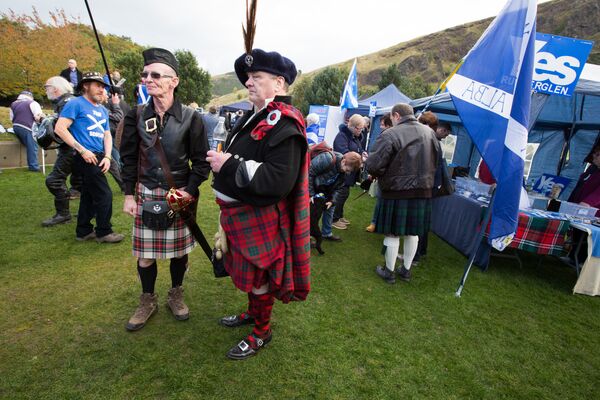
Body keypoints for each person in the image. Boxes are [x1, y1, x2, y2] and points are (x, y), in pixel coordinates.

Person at [207, 47, 311, 360]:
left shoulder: (285, 125)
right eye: (248, 77)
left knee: (260, 280)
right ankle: (254, 314)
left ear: (279, 84)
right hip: (240, 215)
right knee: (253, 280)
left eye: (257, 77)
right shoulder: (256, 116)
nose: (249, 82)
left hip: (259, 217)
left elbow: (278, 181)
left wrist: (226, 165)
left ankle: (262, 332)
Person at [120, 48, 210, 331]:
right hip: (146, 192)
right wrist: (127, 195)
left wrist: (190, 190)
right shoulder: (135, 115)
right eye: (145, 74)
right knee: (145, 255)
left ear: (174, 81)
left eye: (156, 74)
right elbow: (129, 158)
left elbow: (201, 162)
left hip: (178, 194)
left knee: (179, 252)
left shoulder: (192, 118)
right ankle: (147, 300)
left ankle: (176, 294)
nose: (148, 79)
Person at [366, 103, 440, 284]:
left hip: (396, 191)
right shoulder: (430, 133)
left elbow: (375, 165)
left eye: (391, 118)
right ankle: (406, 271)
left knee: (392, 233)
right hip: (423, 191)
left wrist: (370, 167)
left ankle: (389, 272)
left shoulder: (390, 134)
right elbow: (436, 160)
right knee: (413, 233)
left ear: (396, 115)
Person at [54, 72, 125, 244]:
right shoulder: (75, 104)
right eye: (98, 86)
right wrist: (82, 150)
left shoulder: (102, 109)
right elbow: (60, 128)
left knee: (88, 194)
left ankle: (83, 231)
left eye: (103, 87)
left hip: (100, 155)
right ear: (86, 85)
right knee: (104, 195)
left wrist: (108, 156)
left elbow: (107, 134)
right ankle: (104, 231)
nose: (102, 90)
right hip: (84, 156)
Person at [41, 76, 83, 226]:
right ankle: (88, 211)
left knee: (54, 180)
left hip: (72, 148)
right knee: (84, 182)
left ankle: (63, 214)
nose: (45, 90)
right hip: (77, 148)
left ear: (56, 88)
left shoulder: (67, 102)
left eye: (47, 86)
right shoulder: (69, 101)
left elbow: (67, 128)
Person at [309, 150, 362, 253]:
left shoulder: (345, 171)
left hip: (326, 191)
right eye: (347, 169)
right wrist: (310, 193)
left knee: (330, 208)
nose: (347, 172)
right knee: (309, 214)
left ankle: (326, 233)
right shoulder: (327, 158)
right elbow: (309, 172)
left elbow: (339, 187)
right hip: (313, 188)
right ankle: (306, 237)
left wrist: (332, 200)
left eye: (349, 171)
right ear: (344, 161)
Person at [332, 114, 366, 229]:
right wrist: (359, 158)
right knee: (340, 195)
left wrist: (362, 153)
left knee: (344, 194)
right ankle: (334, 218)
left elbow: (357, 150)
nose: (361, 131)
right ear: (353, 126)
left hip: (350, 172)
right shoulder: (342, 136)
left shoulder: (354, 137)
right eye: (360, 128)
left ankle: (339, 216)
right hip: (343, 171)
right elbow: (344, 153)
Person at [365, 112, 393, 233]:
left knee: (386, 201)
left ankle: (379, 223)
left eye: (382, 124)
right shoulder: (384, 135)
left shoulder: (391, 136)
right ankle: (375, 223)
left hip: (391, 175)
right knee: (381, 200)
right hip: (384, 174)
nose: (381, 127)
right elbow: (379, 156)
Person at [10, 90, 44, 172]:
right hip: (28, 127)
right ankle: (34, 167)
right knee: (33, 146)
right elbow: (38, 116)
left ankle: (33, 165)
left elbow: (11, 118)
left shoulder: (13, 104)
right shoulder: (33, 103)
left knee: (29, 145)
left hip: (16, 127)